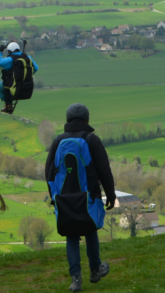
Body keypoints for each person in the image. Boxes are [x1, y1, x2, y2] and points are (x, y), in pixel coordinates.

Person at [45, 103, 115, 292]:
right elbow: (104, 171)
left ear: (67, 120)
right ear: (87, 120)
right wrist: (110, 194)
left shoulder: (58, 141)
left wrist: (54, 196)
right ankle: (95, 270)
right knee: (91, 231)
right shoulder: (92, 140)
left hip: (64, 199)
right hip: (88, 197)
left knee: (72, 236)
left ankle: (76, 279)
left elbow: (49, 171)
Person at [0, 41, 38, 114]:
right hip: (28, 89)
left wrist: (0, 52)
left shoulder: (11, 60)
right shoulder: (28, 58)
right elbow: (36, 68)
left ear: (9, 51)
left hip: (15, 89)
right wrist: (26, 76)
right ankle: (8, 104)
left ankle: (8, 103)